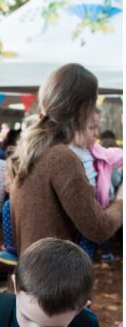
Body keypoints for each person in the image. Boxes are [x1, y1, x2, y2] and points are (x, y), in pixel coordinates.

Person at [10, 64, 123, 256]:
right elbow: (99, 228)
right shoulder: (61, 158)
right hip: (55, 278)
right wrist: (121, 200)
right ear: (82, 110)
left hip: (33, 273)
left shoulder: (33, 150)